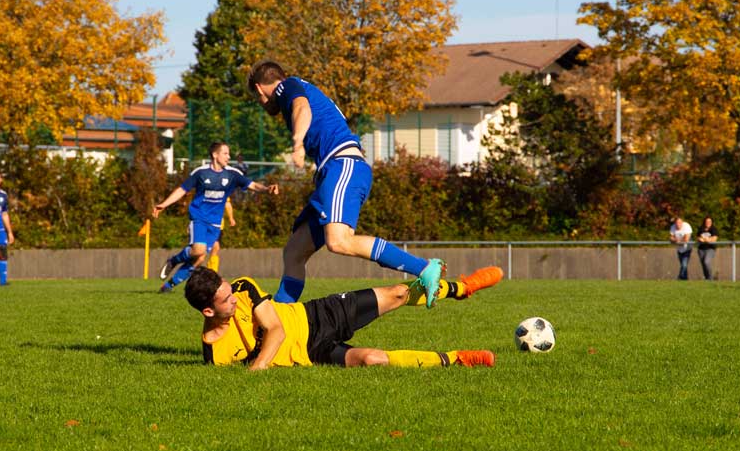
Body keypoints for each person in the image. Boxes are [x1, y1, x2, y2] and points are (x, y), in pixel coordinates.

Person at [247, 60, 445, 305]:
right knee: (294, 251)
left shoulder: (287, 86)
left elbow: (302, 107)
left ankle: (424, 268)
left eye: (257, 98)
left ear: (258, 89)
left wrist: (297, 144)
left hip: (343, 166)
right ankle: (280, 316)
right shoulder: (297, 87)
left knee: (338, 240)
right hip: (332, 172)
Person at [184, 265, 504, 369]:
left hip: (318, 315)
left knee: (397, 293)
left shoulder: (242, 287)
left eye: (231, 292)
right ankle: (458, 359)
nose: (236, 301)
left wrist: (256, 369)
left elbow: (277, 330)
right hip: (314, 353)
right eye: (227, 301)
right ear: (208, 311)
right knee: (374, 360)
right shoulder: (215, 356)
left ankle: (462, 287)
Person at [153, 142, 279, 293]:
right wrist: (164, 204)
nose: (229, 156)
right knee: (198, 251)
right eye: (225, 153)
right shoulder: (201, 173)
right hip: (199, 217)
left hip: (215, 223)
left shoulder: (232, 174)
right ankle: (173, 260)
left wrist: (266, 189)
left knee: (199, 259)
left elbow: (252, 185)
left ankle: (168, 286)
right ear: (215, 155)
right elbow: (182, 189)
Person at [668, 216, 692, 280]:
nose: (678, 224)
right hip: (679, 249)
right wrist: (676, 240)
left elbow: (686, 239)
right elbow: (671, 238)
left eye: (679, 222)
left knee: (684, 265)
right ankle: (685, 279)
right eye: (677, 223)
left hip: (687, 248)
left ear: (682, 222)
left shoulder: (687, 226)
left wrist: (677, 241)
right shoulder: (673, 227)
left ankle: (680, 277)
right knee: (683, 265)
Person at [696, 216, 718, 281]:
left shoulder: (713, 229)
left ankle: (710, 278)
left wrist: (705, 240)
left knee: (706, 262)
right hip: (701, 249)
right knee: (703, 264)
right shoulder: (701, 228)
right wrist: (705, 239)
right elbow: (698, 238)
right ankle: (707, 278)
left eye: (709, 221)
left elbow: (714, 239)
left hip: (710, 249)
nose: (708, 223)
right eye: (707, 221)